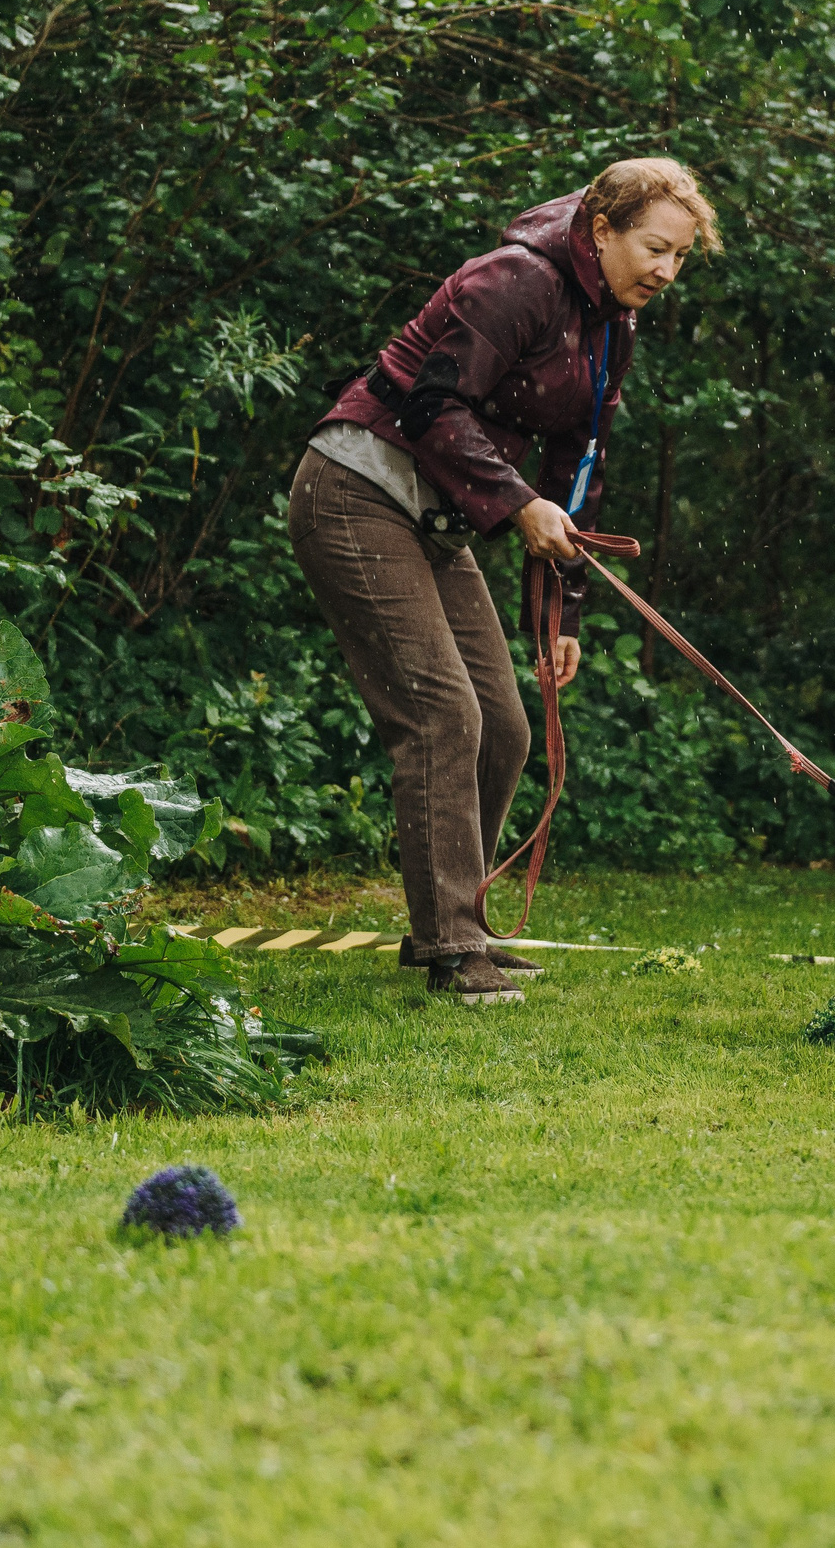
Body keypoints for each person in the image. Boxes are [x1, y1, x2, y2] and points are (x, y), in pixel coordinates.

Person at [287, 159, 720, 1002]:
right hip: (354, 493)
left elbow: (576, 466)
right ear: (602, 230)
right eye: (656, 249)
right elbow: (430, 407)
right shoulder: (514, 280)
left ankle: (457, 924)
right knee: (443, 716)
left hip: (436, 520)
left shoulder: (612, 326)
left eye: (681, 257)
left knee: (507, 728)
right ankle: (453, 946)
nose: (667, 271)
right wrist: (519, 504)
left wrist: (565, 614)